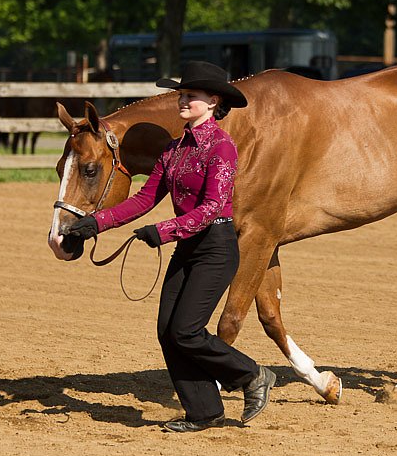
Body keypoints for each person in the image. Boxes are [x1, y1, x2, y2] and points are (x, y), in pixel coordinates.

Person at [68, 61, 275, 432]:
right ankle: (204, 412)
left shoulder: (222, 147)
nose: (182, 100)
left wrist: (163, 231)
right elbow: (145, 199)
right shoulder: (173, 149)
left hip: (216, 246)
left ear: (213, 102)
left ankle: (253, 374)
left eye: (190, 96)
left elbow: (212, 208)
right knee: (168, 331)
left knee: (186, 331)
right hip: (187, 247)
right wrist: (96, 223)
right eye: (181, 94)